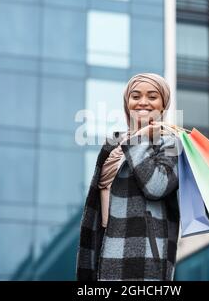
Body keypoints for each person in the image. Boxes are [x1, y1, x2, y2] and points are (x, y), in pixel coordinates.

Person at [76, 73, 180, 281]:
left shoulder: (171, 143)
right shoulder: (112, 144)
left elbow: (157, 187)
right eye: (135, 96)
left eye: (152, 96)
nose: (143, 102)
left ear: (163, 104)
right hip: (103, 245)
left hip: (144, 251)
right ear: (127, 103)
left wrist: (140, 139)